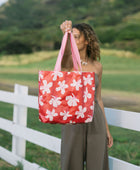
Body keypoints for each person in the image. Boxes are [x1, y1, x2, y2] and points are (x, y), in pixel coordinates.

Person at [60, 20, 113, 170]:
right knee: (71, 162)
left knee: (97, 163)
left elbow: (99, 99)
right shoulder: (69, 63)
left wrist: (107, 129)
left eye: (76, 37)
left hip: (95, 119)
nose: (73, 40)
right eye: (72, 37)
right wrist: (65, 33)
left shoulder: (97, 66)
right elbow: (64, 55)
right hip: (72, 118)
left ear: (87, 41)